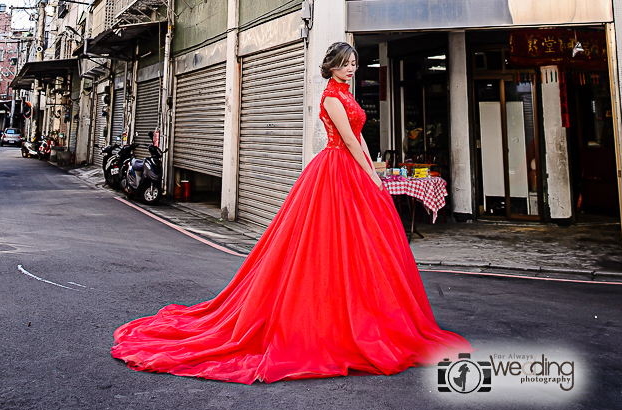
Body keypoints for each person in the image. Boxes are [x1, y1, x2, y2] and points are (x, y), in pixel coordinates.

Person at [111, 41, 470, 383]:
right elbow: (345, 140)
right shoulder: (331, 97)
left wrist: (374, 170)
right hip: (334, 170)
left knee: (360, 244)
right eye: (345, 64)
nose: (351, 69)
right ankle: (326, 319)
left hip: (353, 170)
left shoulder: (348, 94)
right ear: (331, 66)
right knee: (324, 242)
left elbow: (359, 136)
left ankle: (363, 312)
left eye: (354, 64)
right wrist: (369, 175)